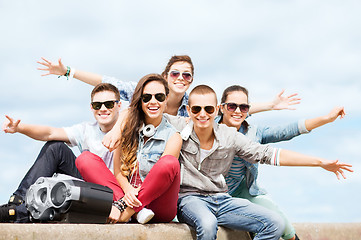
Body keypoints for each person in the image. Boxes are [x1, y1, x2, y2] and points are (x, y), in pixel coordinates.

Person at [165, 85, 352, 240]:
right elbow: (150, 113)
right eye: (197, 109)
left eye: (208, 109)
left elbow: (275, 146)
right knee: (207, 223)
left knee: (278, 224)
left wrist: (320, 161)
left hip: (230, 196)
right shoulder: (186, 124)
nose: (203, 114)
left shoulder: (237, 135)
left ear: (216, 110)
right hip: (195, 197)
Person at [37, 56, 301, 150]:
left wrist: (270, 105)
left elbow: (225, 111)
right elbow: (108, 81)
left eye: (187, 75)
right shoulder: (148, 91)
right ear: (166, 76)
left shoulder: (192, 104)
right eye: (175, 73)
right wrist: (69, 71)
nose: (181, 78)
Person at [217, 85, 346, 240]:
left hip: (244, 190)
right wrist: (269, 106)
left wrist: (326, 119)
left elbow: (287, 130)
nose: (238, 111)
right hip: (216, 193)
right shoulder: (208, 127)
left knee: (286, 229)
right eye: (232, 106)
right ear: (222, 108)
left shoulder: (254, 132)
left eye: (243, 107)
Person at [0, 83, 121, 223]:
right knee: (56, 147)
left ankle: (15, 214)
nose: (103, 109)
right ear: (91, 107)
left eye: (109, 104)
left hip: (112, 191)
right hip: (88, 185)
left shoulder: (128, 127)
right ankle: (17, 202)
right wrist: (19, 128)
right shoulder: (86, 130)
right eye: (97, 105)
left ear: (119, 106)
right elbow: (50, 133)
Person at [75, 74, 182, 224]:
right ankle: (135, 212)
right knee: (84, 159)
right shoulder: (127, 127)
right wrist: (128, 191)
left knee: (169, 163)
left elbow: (163, 178)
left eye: (159, 97)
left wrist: (127, 205)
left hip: (158, 205)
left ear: (166, 99)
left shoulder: (174, 136)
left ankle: (127, 212)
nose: (153, 101)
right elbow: (118, 171)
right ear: (140, 100)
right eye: (147, 97)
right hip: (127, 196)